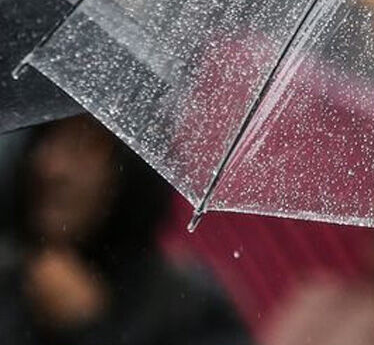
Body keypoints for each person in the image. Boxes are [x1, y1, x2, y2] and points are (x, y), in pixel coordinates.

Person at [0, 115, 250, 345]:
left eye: (85, 146)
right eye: (46, 139)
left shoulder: (189, 310)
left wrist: (91, 330)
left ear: (131, 167)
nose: (52, 167)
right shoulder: (9, 280)